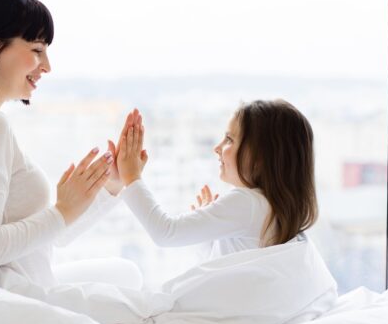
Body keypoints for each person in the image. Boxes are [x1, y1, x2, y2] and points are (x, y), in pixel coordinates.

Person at [0, 0, 133, 290]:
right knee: (129, 280)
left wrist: (109, 186)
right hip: (21, 296)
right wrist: (62, 210)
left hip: (22, 283)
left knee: (125, 273)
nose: (47, 66)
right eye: (37, 50)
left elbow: (49, 235)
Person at [116, 99, 318, 258]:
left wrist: (131, 177)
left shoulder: (247, 203)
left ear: (260, 158)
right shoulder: (274, 208)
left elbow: (165, 233)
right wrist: (209, 232)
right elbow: (224, 268)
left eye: (229, 139)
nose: (217, 147)